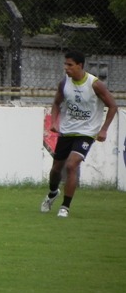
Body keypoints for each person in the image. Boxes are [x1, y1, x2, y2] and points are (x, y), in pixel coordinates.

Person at [41, 50, 118, 218]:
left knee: (71, 165)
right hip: (67, 131)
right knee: (56, 170)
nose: (66, 68)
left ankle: (65, 207)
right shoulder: (64, 83)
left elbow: (113, 105)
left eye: (69, 65)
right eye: (65, 64)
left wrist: (104, 129)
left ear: (80, 65)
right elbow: (56, 103)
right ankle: (53, 192)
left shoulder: (95, 84)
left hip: (87, 132)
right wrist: (54, 122)